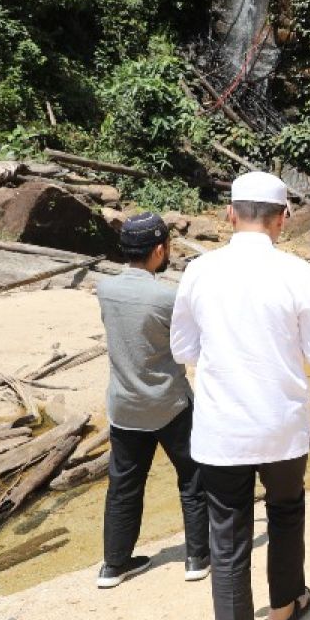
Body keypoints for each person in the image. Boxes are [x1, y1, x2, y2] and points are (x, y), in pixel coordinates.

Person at [171, 172, 310, 620]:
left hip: (222, 429)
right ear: (282, 219)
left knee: (229, 544)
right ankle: (285, 605)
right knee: (287, 510)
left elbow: (182, 348)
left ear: (229, 214)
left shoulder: (199, 270)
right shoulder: (295, 271)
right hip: (282, 424)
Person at [96, 212, 209, 588]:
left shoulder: (105, 290)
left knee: (124, 484)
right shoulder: (168, 298)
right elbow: (187, 348)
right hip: (170, 403)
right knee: (193, 477)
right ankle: (197, 557)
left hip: (125, 405)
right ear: (159, 250)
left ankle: (114, 565)